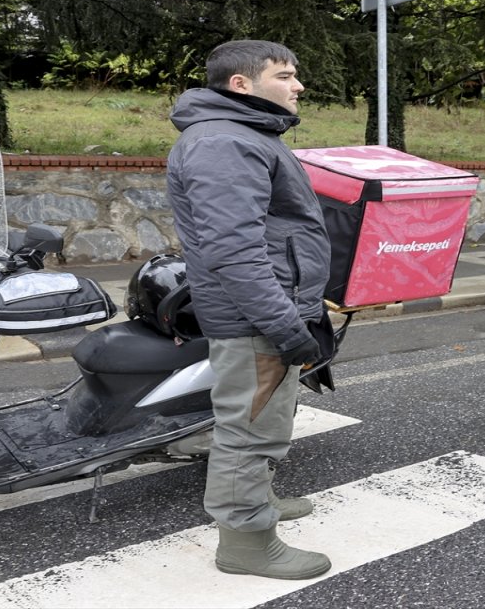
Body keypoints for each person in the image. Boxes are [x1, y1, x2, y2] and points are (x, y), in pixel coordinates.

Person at [166, 39, 332, 580]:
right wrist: (287, 326)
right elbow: (233, 251)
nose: (298, 85)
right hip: (256, 315)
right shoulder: (224, 143)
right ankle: (246, 543)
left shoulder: (242, 134)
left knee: (261, 419)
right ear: (241, 84)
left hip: (266, 307)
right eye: (285, 75)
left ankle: (258, 501)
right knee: (249, 429)